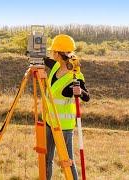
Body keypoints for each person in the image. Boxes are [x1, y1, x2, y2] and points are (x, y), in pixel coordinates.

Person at [44, 34, 90, 180]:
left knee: (67, 162)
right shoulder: (56, 65)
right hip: (49, 121)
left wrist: (80, 91)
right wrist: (33, 54)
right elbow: (46, 61)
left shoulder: (75, 75)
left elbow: (87, 96)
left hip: (64, 126)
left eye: (53, 51)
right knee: (46, 159)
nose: (51, 53)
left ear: (58, 53)